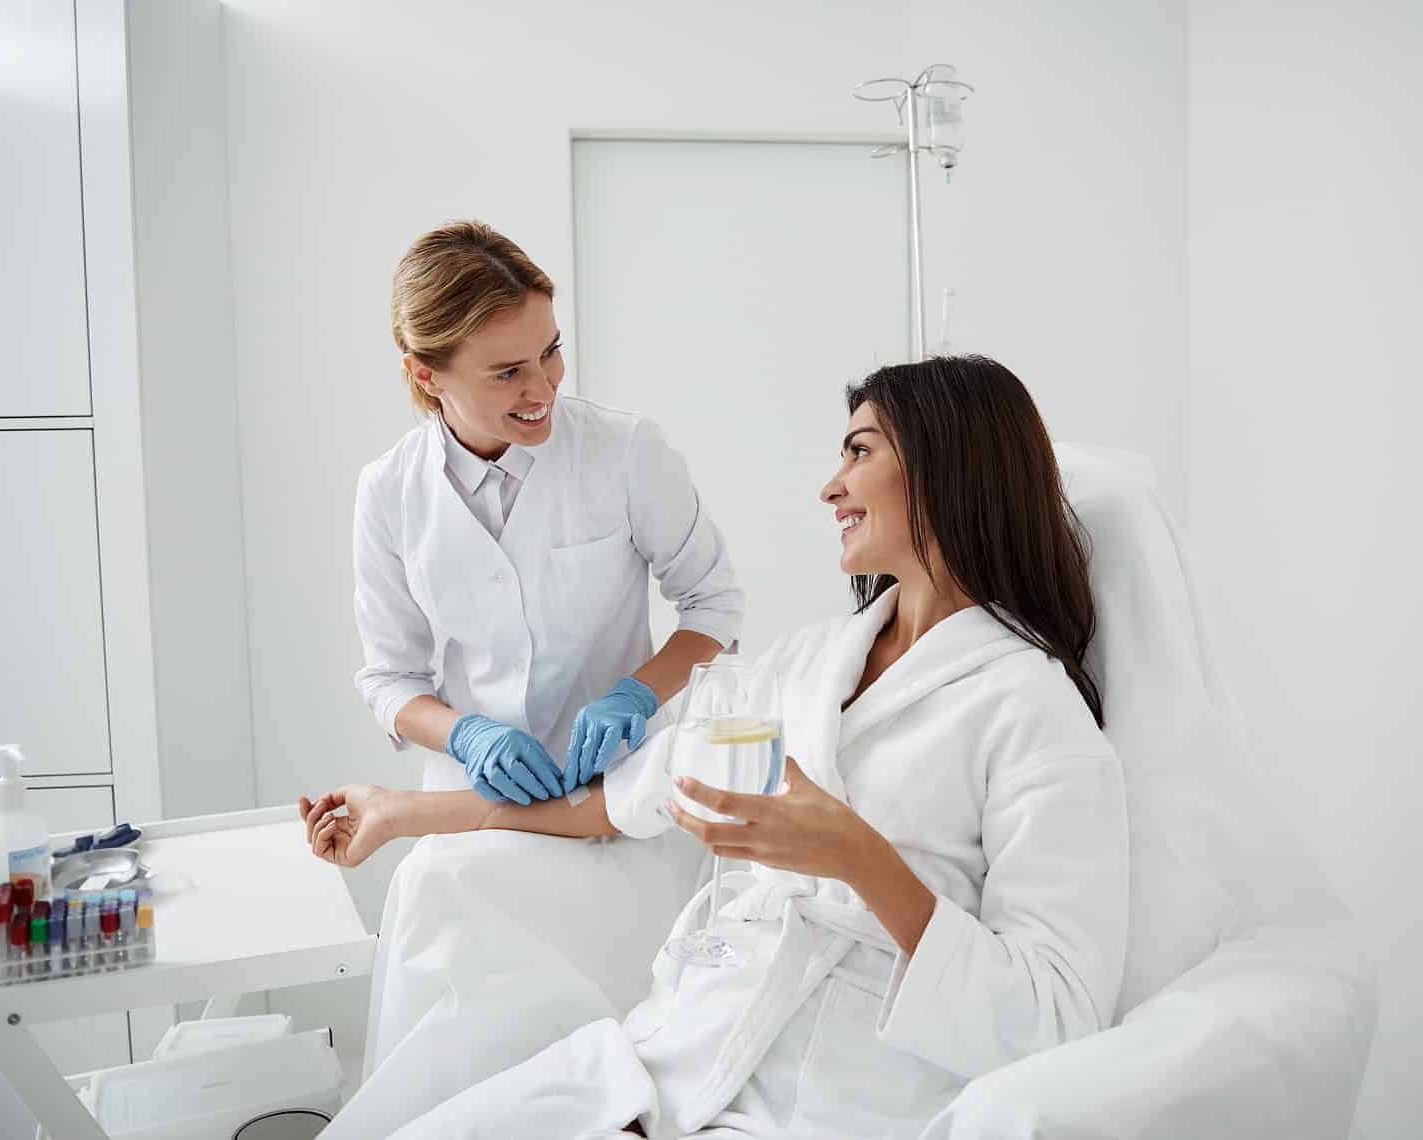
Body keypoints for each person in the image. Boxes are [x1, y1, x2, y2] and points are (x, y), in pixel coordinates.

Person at [304, 355, 1128, 1138]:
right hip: (671, 1053)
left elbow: (1056, 1016)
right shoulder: (807, 665)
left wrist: (858, 858)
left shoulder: (1032, 710)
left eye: (859, 452)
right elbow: (612, 804)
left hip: (831, 1095)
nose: (829, 486)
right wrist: (401, 811)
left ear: (948, 468)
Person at [353, 221, 743, 801]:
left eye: (550, 352)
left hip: (623, 790)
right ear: (426, 374)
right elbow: (391, 679)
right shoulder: (389, 491)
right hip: (473, 800)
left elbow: (713, 604)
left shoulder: (626, 451)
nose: (543, 388)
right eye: (508, 373)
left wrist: (635, 696)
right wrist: (467, 736)